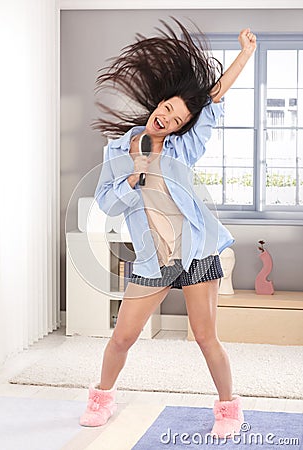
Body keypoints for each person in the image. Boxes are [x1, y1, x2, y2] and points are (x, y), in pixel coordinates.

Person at [80, 18, 256, 439]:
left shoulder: (183, 147)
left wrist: (245, 56)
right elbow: (105, 202)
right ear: (158, 105)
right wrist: (131, 178)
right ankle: (102, 399)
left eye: (177, 118)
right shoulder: (120, 148)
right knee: (122, 337)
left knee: (205, 338)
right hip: (152, 258)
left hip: (195, 253)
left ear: (180, 127)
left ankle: (229, 409)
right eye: (167, 109)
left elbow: (210, 101)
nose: (167, 118)